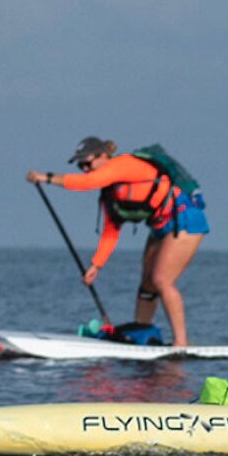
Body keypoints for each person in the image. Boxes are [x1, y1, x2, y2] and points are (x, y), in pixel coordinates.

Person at [26, 137, 209, 346]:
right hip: (160, 226)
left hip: (185, 220)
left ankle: (181, 344)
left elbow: (86, 183)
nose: (85, 169)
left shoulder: (122, 165)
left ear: (103, 156)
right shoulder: (109, 192)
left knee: (161, 280)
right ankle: (143, 335)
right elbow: (110, 232)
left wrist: (46, 177)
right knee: (147, 285)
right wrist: (96, 265)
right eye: (81, 166)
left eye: (88, 163)